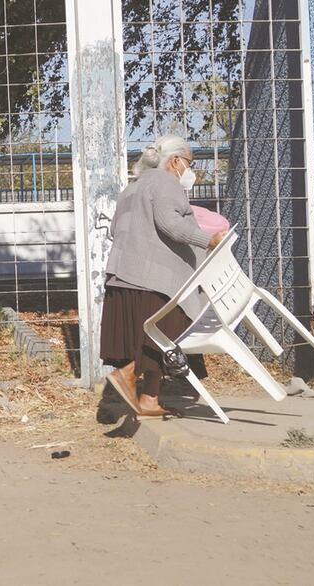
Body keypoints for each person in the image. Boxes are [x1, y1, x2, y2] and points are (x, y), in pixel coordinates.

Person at [101, 135, 225, 417]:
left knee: (150, 336)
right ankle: (128, 374)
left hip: (124, 276)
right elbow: (170, 223)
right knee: (171, 330)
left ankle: (149, 399)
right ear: (175, 161)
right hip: (153, 279)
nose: (190, 170)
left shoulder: (131, 188)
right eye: (190, 163)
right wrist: (209, 240)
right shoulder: (166, 182)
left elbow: (114, 230)